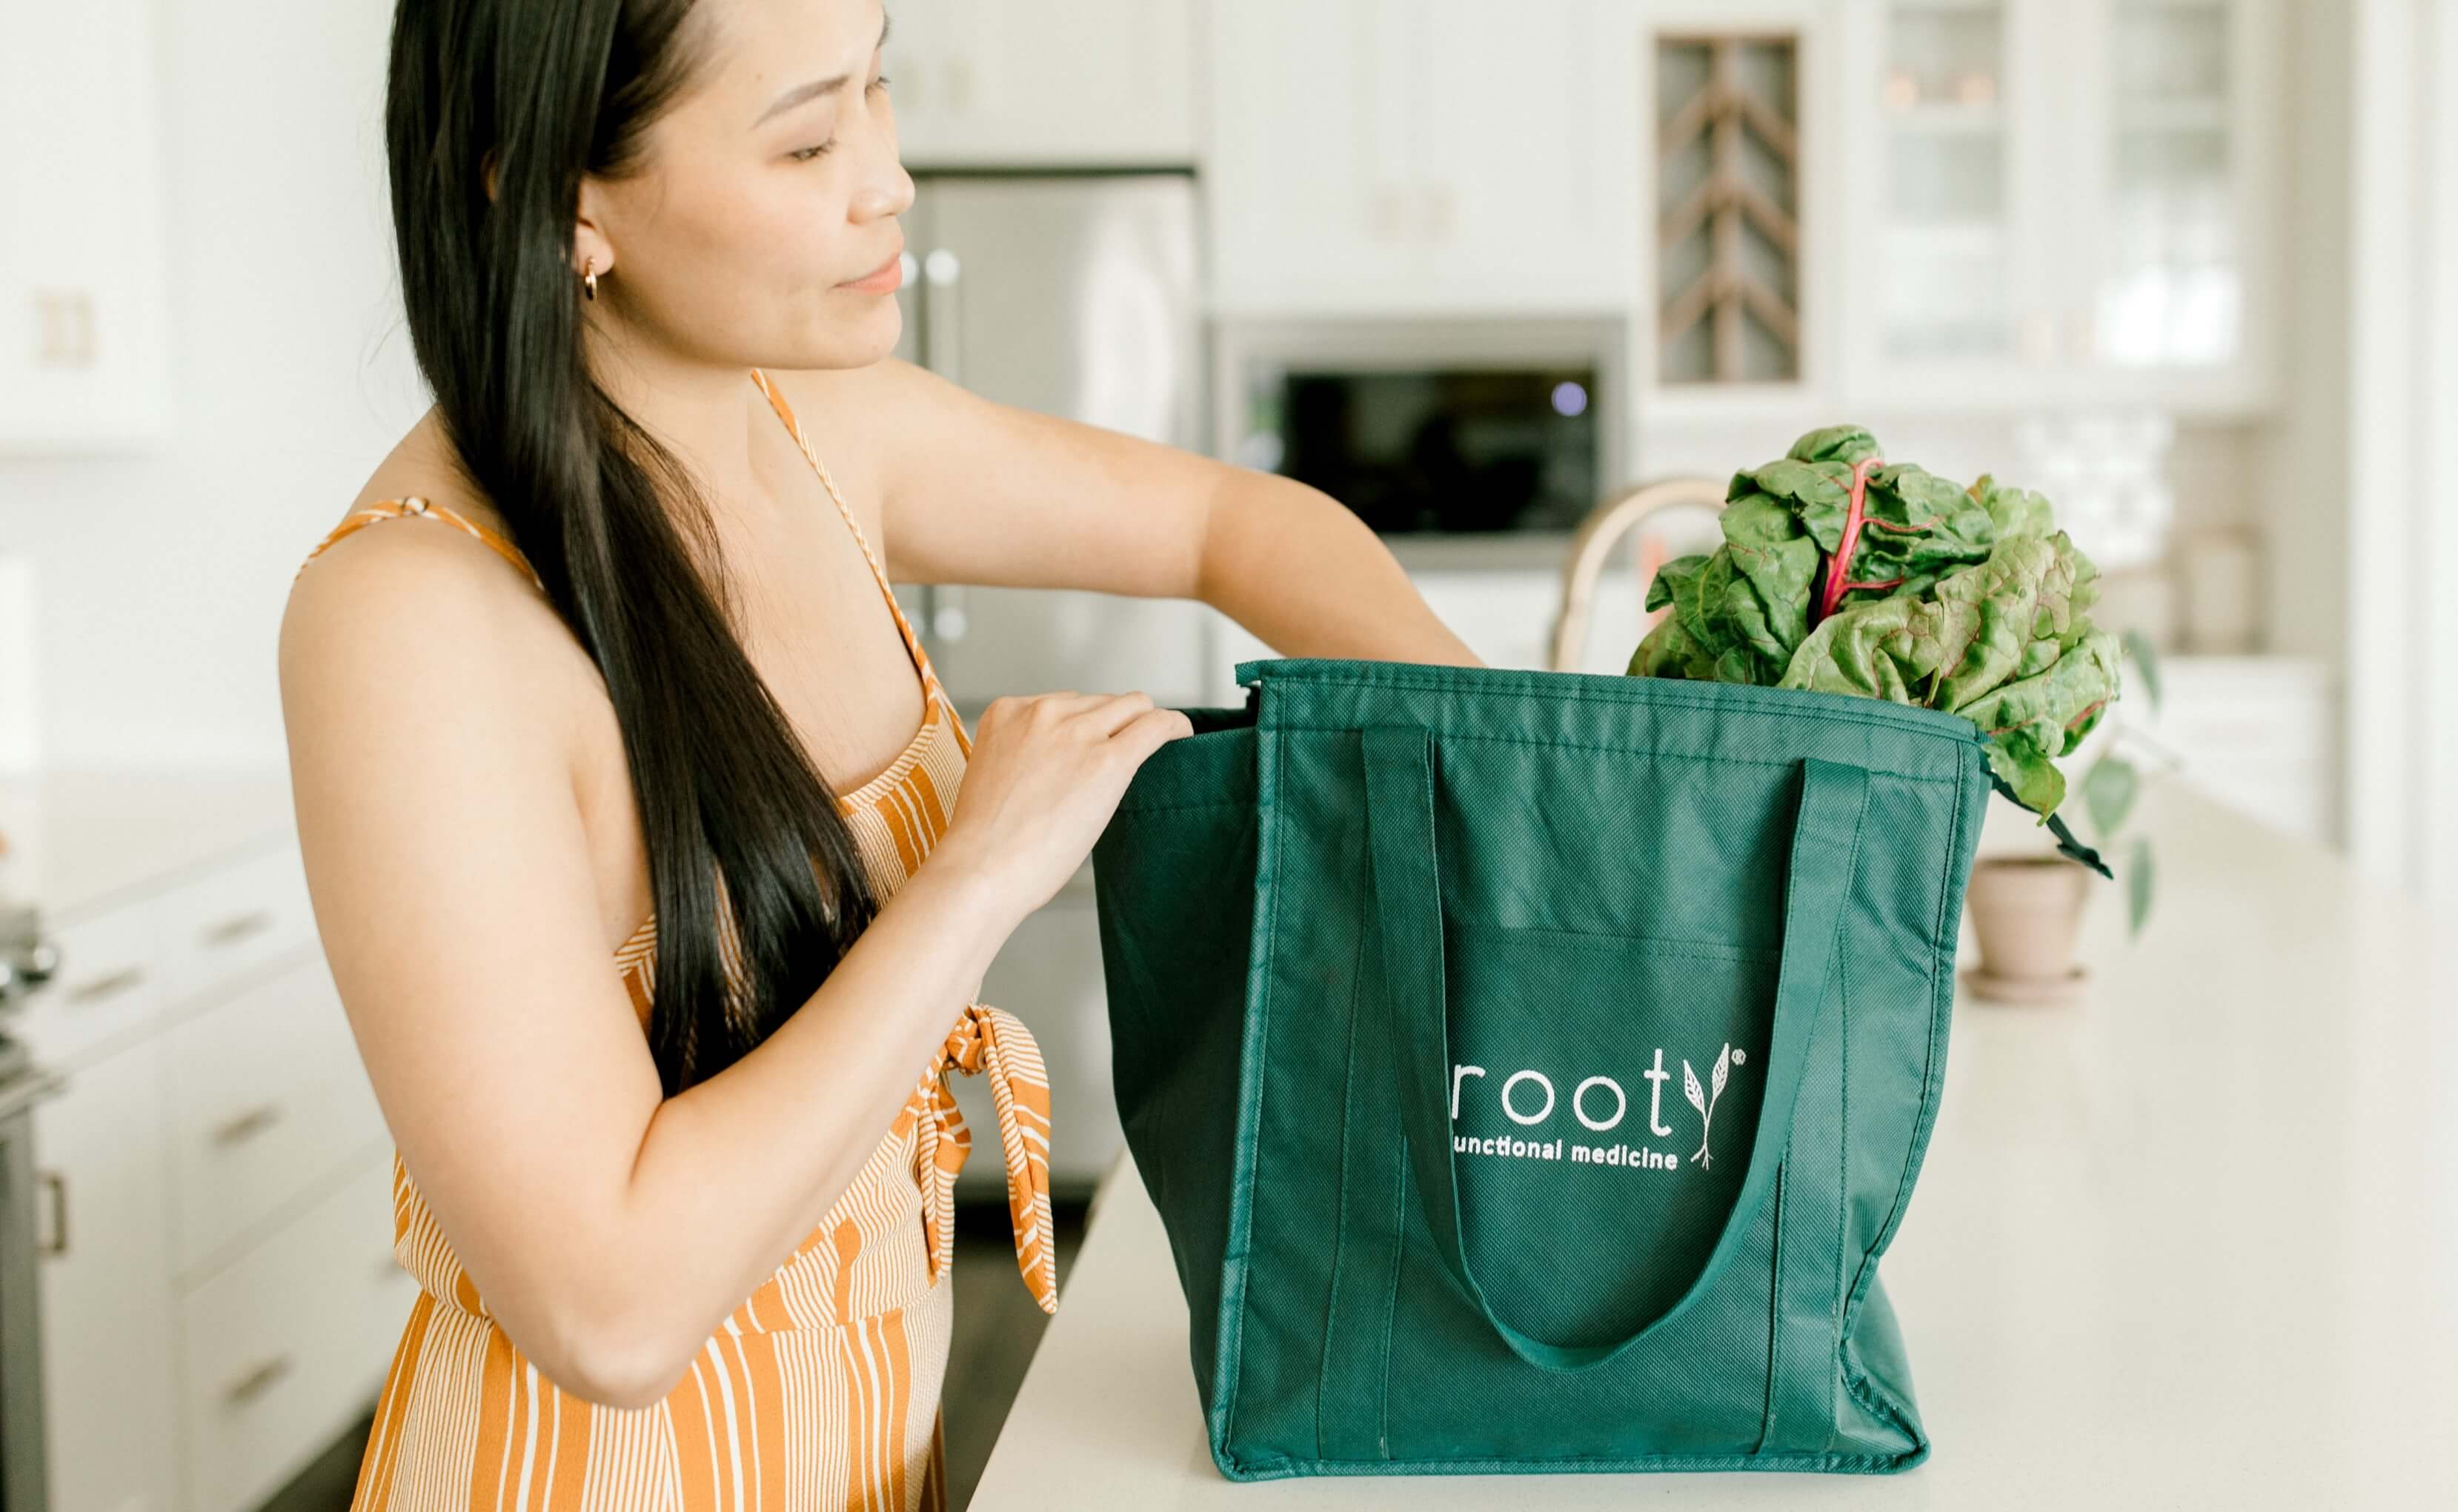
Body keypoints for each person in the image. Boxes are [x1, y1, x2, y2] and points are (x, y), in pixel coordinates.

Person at [278, 0, 1481, 1506]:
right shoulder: (414, 617)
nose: (888, 178)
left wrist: (1522, 802)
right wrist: (975, 876)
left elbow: (1238, 524)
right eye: (805, 138)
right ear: (562, 193)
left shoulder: (816, 422)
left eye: (879, 90)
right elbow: (610, 1306)